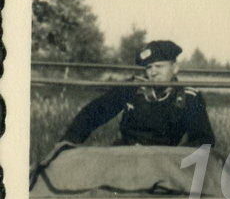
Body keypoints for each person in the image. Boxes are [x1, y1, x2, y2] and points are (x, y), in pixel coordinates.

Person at [60, 40, 215, 147]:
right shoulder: (132, 88)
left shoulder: (189, 97)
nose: (153, 72)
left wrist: (177, 158)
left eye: (159, 66)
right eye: (149, 68)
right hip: (126, 155)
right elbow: (96, 111)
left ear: (175, 68)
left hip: (163, 160)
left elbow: (203, 139)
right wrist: (69, 141)